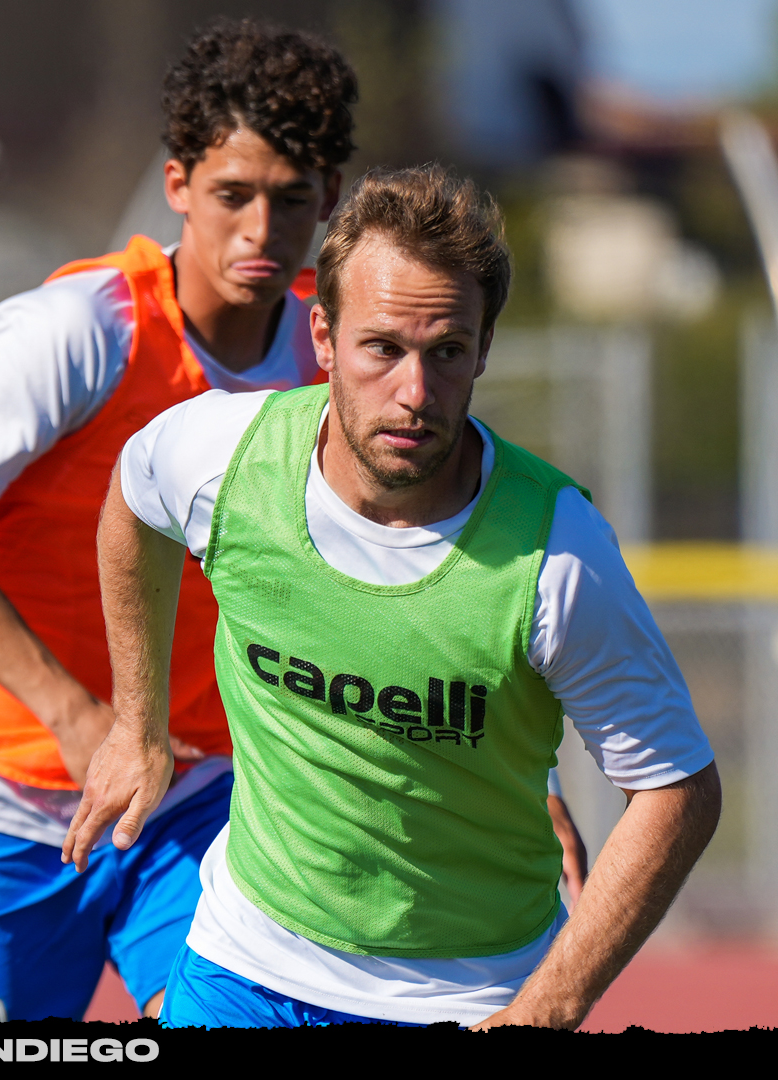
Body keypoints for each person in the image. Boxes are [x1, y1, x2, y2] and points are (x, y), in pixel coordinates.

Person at [67, 165, 720, 1030]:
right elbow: (132, 499)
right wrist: (136, 727)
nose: (415, 394)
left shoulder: (556, 552)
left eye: (447, 352)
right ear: (325, 336)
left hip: (469, 997)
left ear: (483, 348)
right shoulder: (220, 457)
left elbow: (676, 788)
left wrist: (547, 1008)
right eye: (384, 348)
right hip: (242, 966)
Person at [0, 19, 359, 1022]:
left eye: (292, 200)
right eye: (232, 195)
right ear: (177, 186)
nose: (261, 229)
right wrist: (87, 724)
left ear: (330, 202)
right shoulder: (78, 333)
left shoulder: (332, 357)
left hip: (192, 796)